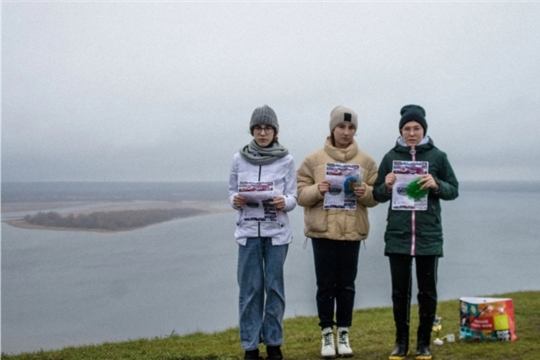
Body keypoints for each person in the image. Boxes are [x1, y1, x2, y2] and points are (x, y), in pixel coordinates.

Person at [372, 105, 459, 360]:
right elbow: (376, 193)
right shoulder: (390, 157)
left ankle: (424, 344)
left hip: (428, 235)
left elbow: (453, 189)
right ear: (401, 130)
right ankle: (401, 343)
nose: (412, 133)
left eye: (416, 128)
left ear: (424, 130)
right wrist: (386, 186)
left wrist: (436, 184)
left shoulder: (439, 157)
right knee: (399, 292)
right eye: (407, 128)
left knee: (427, 291)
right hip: (398, 234)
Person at [296, 106, 378, 358]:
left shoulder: (366, 162)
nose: (346, 131)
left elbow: (377, 197)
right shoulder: (313, 160)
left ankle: (343, 333)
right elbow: (300, 195)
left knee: (346, 286)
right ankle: (326, 336)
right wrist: (317, 190)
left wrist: (366, 192)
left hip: (352, 232)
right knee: (325, 286)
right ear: (332, 128)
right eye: (341, 127)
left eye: (351, 127)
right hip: (322, 232)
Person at [228, 105, 298, 360]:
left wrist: (284, 202)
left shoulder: (286, 160)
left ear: (275, 131)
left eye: (267, 128)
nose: (262, 132)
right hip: (248, 233)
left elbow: (293, 196)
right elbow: (231, 192)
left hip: (277, 235)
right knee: (249, 289)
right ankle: (250, 346)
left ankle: (273, 343)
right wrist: (235, 200)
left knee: (274, 288)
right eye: (258, 128)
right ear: (252, 130)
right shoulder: (239, 158)